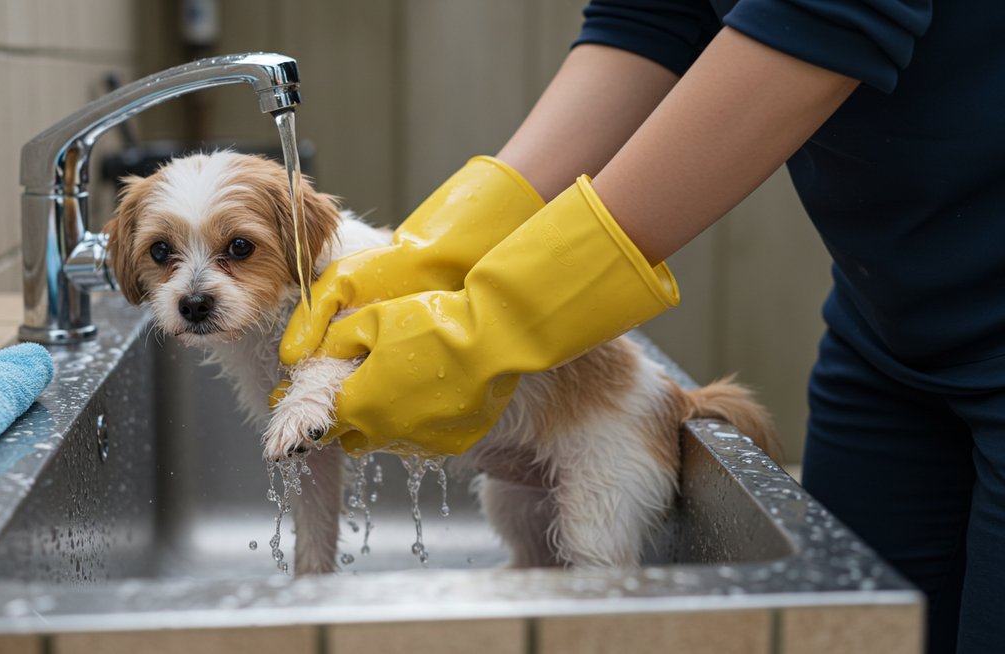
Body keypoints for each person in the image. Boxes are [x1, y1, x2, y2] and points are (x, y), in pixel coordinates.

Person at [279, 2, 1004, 652]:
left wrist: (502, 314)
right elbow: (653, 17)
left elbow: (825, 15)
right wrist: (444, 249)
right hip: (885, 334)